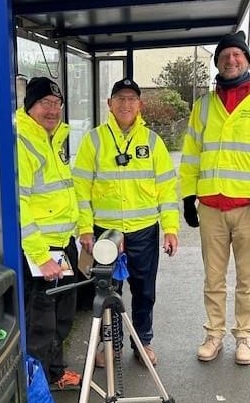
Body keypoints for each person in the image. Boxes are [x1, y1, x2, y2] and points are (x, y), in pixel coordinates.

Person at [180, 31, 250, 365]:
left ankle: (244, 336)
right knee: (213, 279)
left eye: (237, 55)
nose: (231, 60)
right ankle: (213, 334)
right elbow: (191, 155)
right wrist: (189, 197)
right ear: (217, 62)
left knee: (247, 280)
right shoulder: (203, 105)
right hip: (213, 208)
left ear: (246, 60)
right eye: (225, 56)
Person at [73, 77, 179, 367]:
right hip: (105, 231)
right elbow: (80, 189)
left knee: (145, 290)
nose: (126, 104)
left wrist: (170, 228)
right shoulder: (94, 140)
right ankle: (112, 346)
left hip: (143, 231)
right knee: (108, 291)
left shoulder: (153, 142)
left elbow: (167, 190)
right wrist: (84, 228)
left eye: (132, 98)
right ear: (109, 103)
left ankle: (143, 342)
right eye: (120, 98)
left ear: (140, 104)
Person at [16, 77, 81, 403]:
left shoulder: (52, 139)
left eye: (57, 104)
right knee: (39, 326)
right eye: (45, 104)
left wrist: (78, 233)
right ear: (30, 106)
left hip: (62, 245)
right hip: (39, 252)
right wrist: (41, 255)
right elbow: (19, 204)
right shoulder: (22, 141)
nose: (53, 110)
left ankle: (55, 374)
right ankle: (36, 398)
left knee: (61, 316)